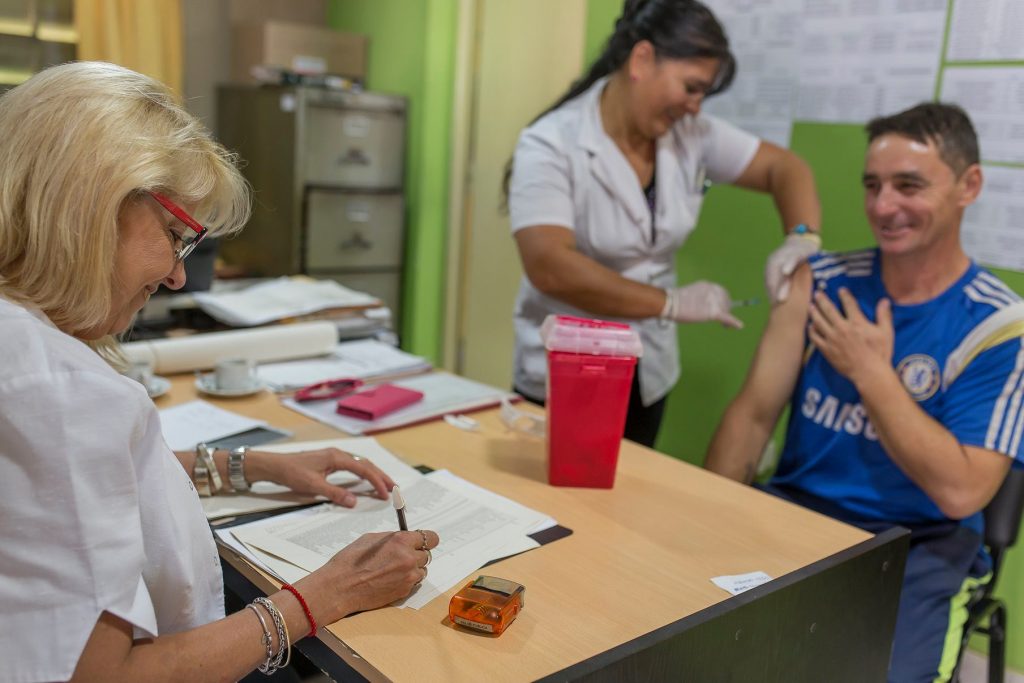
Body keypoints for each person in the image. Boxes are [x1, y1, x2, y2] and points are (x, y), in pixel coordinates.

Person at [0, 62, 440, 682]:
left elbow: (75, 477)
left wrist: (248, 466)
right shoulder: (58, 390)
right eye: (176, 234)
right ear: (92, 204)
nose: (179, 275)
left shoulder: (21, 344)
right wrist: (325, 596)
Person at [705, 102, 1024, 682]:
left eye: (909, 186)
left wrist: (871, 373)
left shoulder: (998, 327)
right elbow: (752, 418)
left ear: (968, 185)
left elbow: (960, 492)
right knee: (694, 641)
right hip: (796, 513)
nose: (883, 207)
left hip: (918, 544)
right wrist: (708, 518)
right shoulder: (822, 281)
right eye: (873, 186)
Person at [505, 0, 822, 447]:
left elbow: (786, 169)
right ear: (642, 59)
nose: (695, 107)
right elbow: (549, 264)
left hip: (647, 368)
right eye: (691, 88)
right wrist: (668, 303)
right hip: (569, 369)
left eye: (703, 95)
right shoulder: (552, 143)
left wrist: (802, 238)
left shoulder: (691, 135)